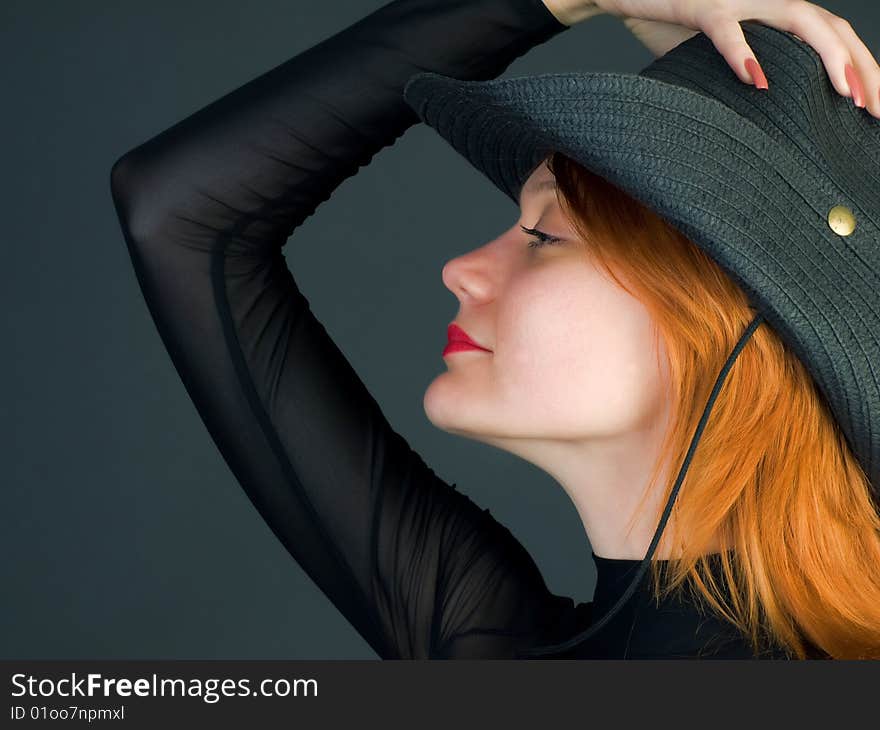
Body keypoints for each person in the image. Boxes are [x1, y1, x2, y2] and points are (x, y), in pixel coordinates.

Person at [109, 0, 880, 659]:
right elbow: (181, 215)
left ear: (725, 315)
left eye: (545, 236)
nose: (461, 269)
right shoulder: (489, 643)